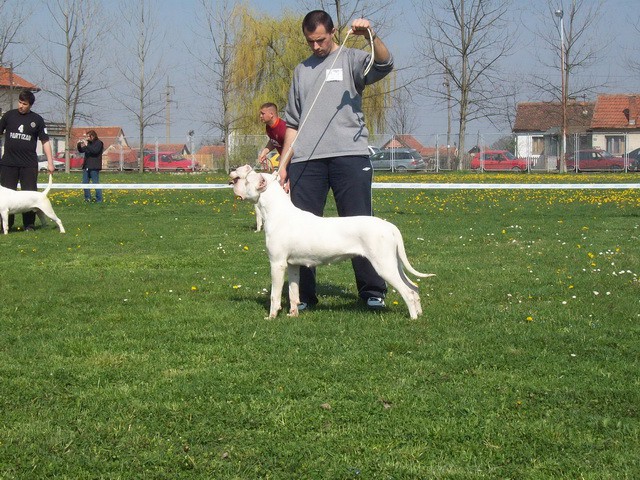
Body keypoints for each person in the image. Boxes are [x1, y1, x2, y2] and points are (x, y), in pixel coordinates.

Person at [278, 10, 394, 311]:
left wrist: (371, 34)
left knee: (360, 225)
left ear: (332, 32)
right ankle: (302, 296)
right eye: (310, 42)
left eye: (320, 40)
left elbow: (385, 63)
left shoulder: (351, 58)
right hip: (307, 161)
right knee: (301, 233)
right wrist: (283, 165)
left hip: (350, 157)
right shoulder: (301, 71)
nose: (315, 47)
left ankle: (372, 292)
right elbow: (292, 122)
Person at [0, 89, 55, 232]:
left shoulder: (37, 120)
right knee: (5, 197)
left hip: (28, 165)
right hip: (8, 164)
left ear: (30, 105)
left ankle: (29, 225)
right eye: (19, 102)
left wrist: (50, 162)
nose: (21, 106)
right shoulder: (8, 116)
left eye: (24, 104)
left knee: (30, 194)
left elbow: (45, 142)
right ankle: (6, 225)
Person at [257, 102, 286, 171]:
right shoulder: (268, 127)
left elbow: (290, 148)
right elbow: (273, 140)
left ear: (271, 114)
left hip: (294, 163)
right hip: (285, 163)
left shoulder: (283, 128)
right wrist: (264, 152)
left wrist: (282, 162)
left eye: (263, 113)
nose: (260, 116)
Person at [77, 129, 104, 202]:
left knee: (95, 183)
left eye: (88, 137)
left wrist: (87, 145)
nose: (87, 138)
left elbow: (95, 151)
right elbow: (81, 150)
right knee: (85, 183)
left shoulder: (99, 143)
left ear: (92, 136)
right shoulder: (88, 144)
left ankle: (99, 199)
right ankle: (87, 198)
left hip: (94, 166)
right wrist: (79, 144)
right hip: (86, 166)